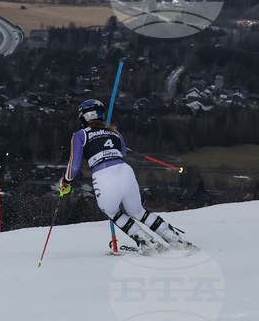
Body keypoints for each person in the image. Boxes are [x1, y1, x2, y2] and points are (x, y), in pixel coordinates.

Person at [57, 99, 196, 254]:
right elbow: (122, 152)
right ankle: (174, 239)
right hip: (125, 171)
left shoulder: (80, 135)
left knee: (112, 212)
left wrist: (65, 182)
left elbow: (74, 164)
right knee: (138, 211)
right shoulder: (115, 132)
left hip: (103, 175)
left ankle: (147, 242)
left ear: (83, 117)